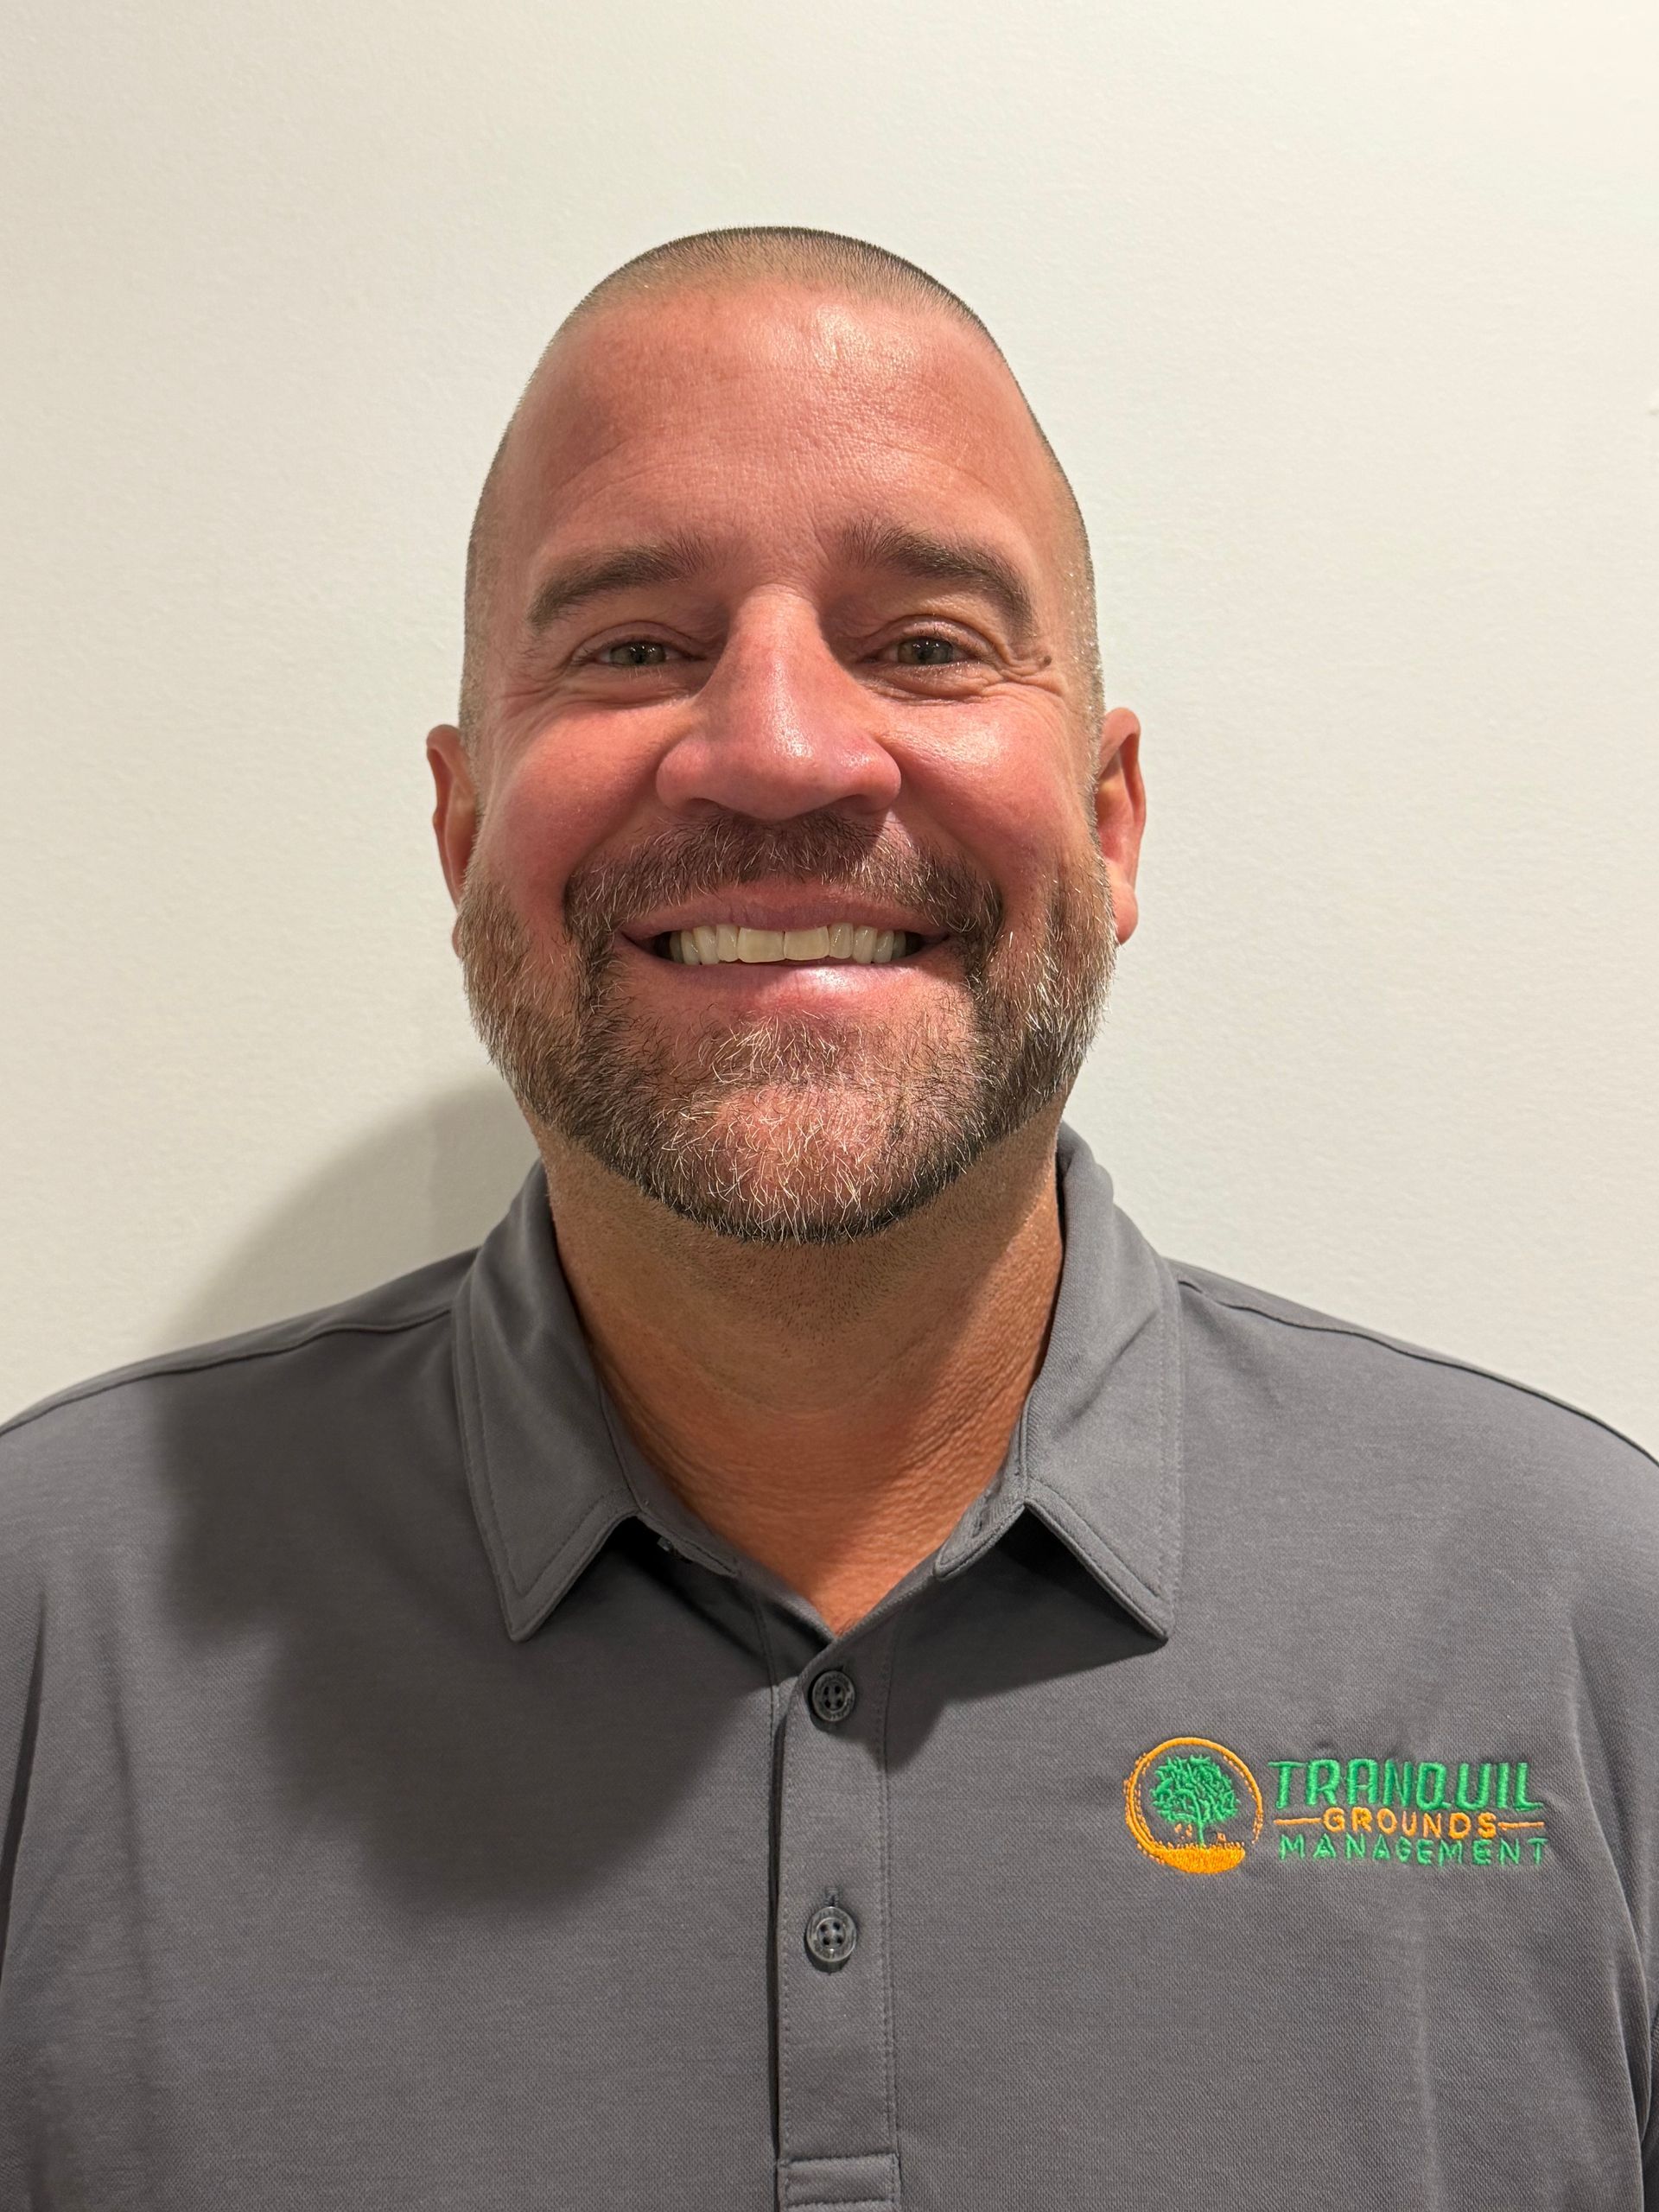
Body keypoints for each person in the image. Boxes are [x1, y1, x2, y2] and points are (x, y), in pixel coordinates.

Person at [1, 225, 1655, 2211]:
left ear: (1109, 819)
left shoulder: (1584, 1618)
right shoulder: (43, 1627)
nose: (780, 750)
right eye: (632, 645)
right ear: (462, 828)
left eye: (929, 643)